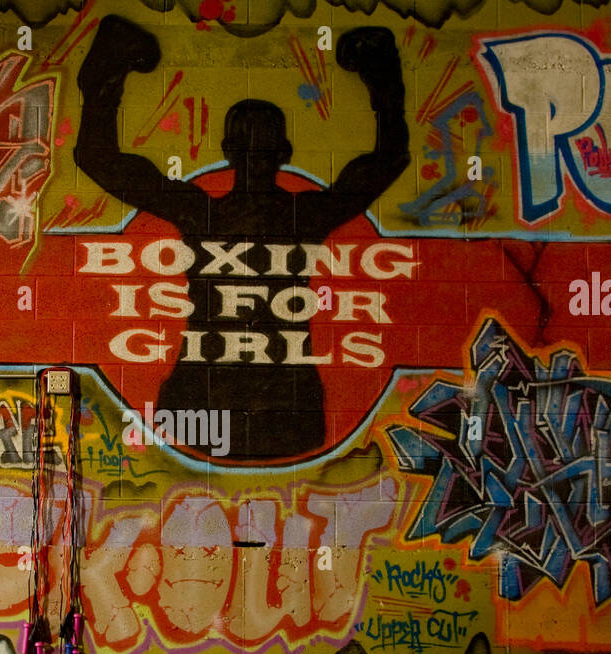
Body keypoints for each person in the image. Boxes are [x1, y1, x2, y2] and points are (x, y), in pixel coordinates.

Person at [76, 17, 409, 459]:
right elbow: (388, 158)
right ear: (285, 155)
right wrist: (382, 78)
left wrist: (106, 75)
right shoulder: (303, 217)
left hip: (209, 412)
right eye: (252, 151)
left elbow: (97, 158)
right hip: (280, 413)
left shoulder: (201, 213)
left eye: (258, 151)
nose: (253, 160)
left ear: (226, 152)